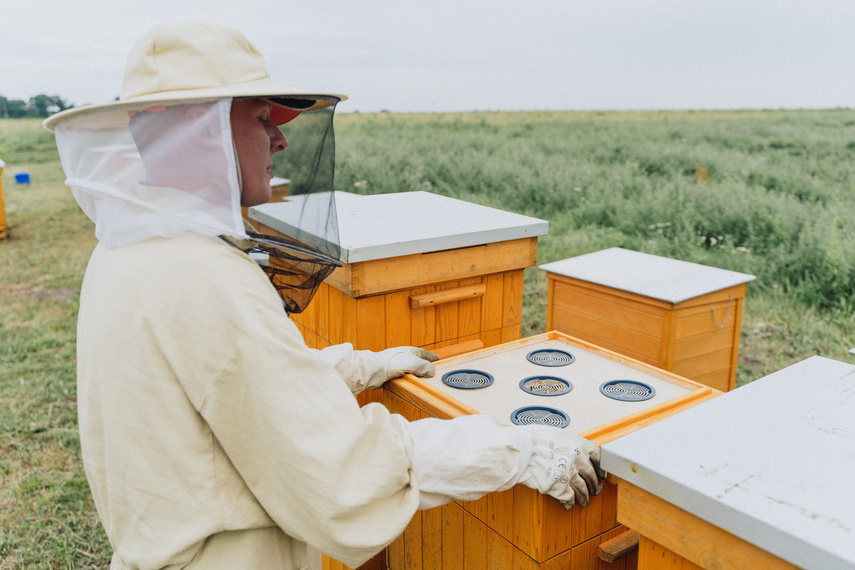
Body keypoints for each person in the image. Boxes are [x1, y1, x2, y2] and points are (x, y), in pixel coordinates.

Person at [45, 22, 604, 570]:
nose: (281, 139)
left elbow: (227, 388)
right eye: (263, 119)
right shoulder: (203, 275)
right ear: (200, 130)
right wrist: (520, 451)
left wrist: (359, 367)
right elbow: (339, 469)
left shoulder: (127, 250)